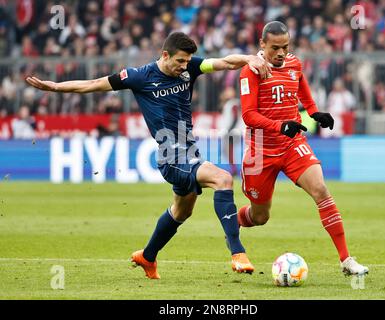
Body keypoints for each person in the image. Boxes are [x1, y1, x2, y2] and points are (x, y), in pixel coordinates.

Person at [26, 32, 272, 279]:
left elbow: (226, 62)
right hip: (170, 156)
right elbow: (93, 84)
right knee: (223, 179)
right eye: (180, 61)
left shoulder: (190, 67)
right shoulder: (138, 76)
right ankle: (237, 251)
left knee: (182, 210)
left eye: (188, 61)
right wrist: (55, 87)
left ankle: (148, 256)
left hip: (190, 151)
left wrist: (251, 58)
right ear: (165, 55)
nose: (185, 66)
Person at [236, 21, 368, 276]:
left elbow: (301, 84)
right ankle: (233, 222)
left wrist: (314, 111)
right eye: (275, 48)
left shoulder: (294, 64)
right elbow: (248, 116)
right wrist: (278, 126)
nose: (281, 53)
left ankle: (346, 260)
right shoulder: (250, 72)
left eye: (285, 47)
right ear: (262, 44)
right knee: (260, 216)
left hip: (292, 143)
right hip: (260, 151)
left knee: (321, 190)